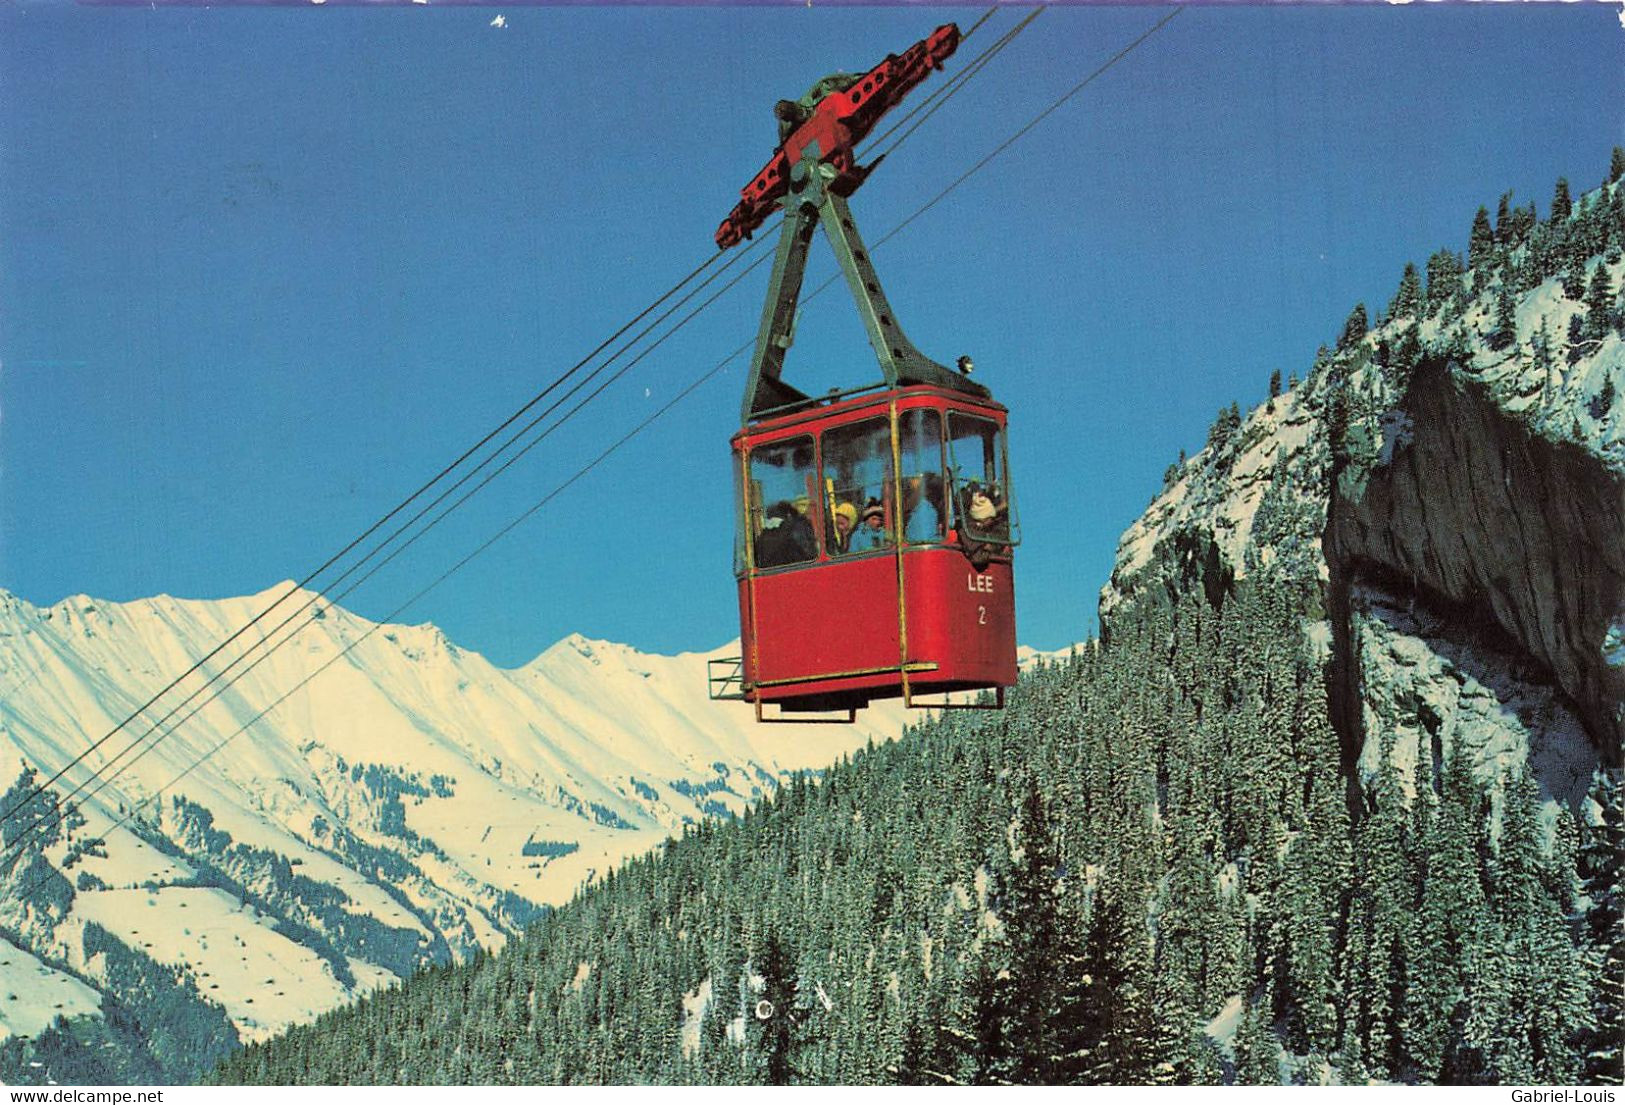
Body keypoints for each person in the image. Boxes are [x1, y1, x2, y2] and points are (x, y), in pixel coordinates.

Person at [902, 475, 941, 543]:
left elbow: (921, 541)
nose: (905, 497)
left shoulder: (924, 512)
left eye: (909, 493)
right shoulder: (914, 512)